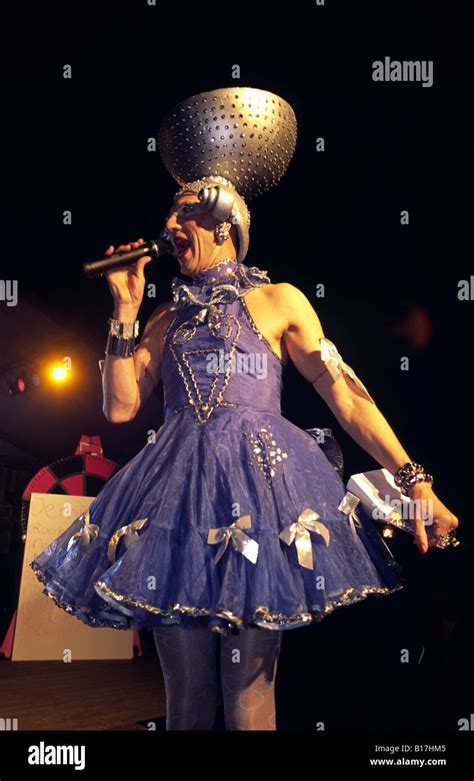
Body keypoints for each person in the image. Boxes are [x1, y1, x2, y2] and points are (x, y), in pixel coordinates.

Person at [30, 88, 459, 731]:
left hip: (260, 498)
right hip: (173, 502)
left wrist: (414, 481)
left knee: (250, 693)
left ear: (224, 224)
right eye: (171, 217)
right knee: (187, 701)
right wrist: (123, 311)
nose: (171, 229)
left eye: (185, 217)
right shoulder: (164, 316)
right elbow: (120, 408)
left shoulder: (281, 300)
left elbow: (346, 394)